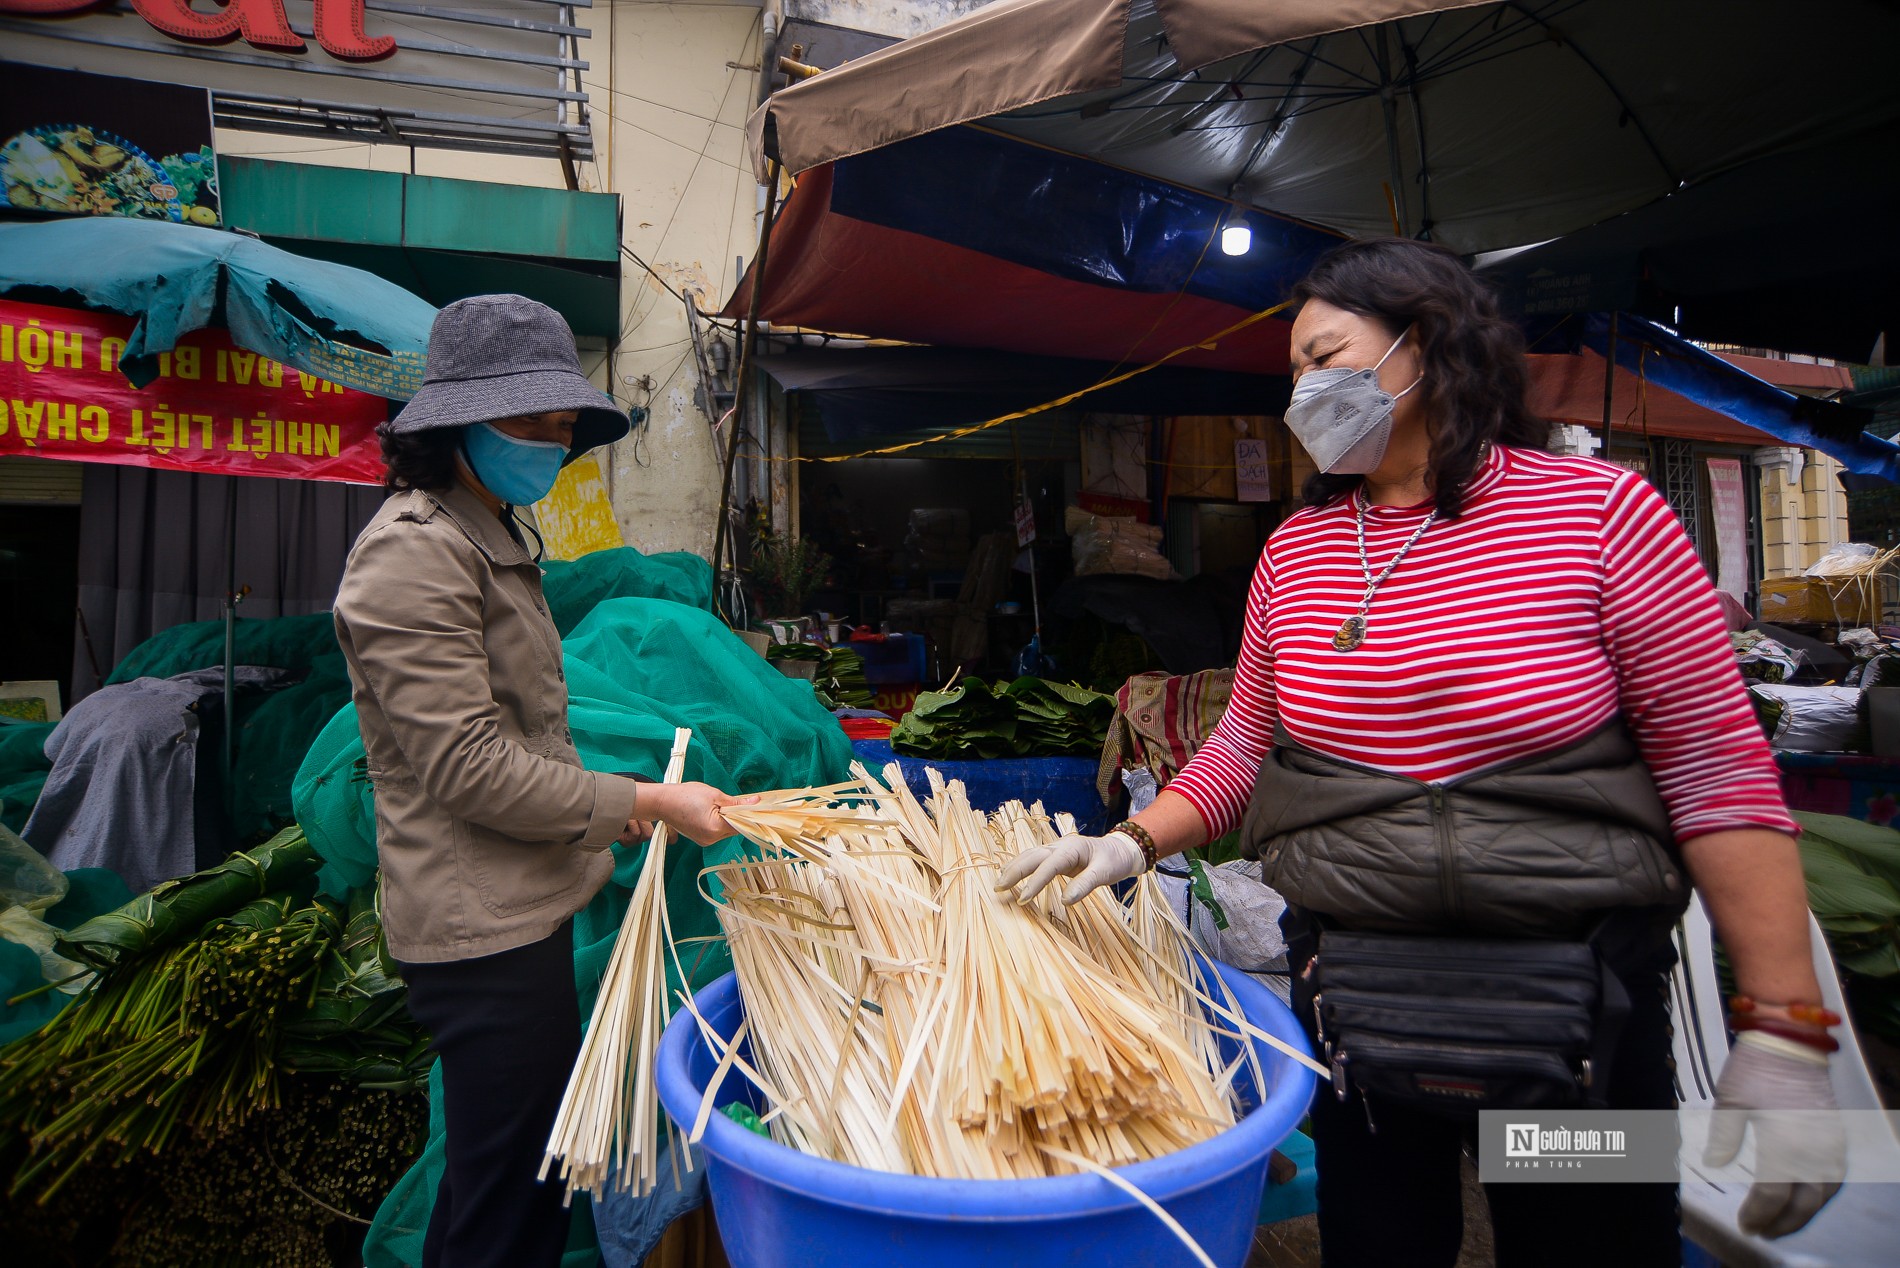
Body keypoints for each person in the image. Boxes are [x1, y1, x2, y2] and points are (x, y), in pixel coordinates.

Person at [1001, 240, 1843, 1266]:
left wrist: (1785, 1028)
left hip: (1571, 1013)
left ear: (1427, 345)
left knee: (1585, 1245)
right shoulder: (1297, 551)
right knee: (1378, 1243)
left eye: (1325, 355)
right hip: (1361, 1002)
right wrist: (1130, 843)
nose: (1305, 391)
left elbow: (1717, 772)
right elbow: (1243, 745)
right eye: (1295, 372)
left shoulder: (1599, 515)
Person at [333, 295, 748, 1268]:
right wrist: (640, 801)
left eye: (562, 425)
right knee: (507, 1199)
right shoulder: (413, 552)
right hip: (481, 929)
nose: (552, 442)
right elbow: (467, 764)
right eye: (529, 422)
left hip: (519, 906)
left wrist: (610, 807)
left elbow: (520, 732)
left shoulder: (488, 532)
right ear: (455, 424)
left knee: (501, 1179)